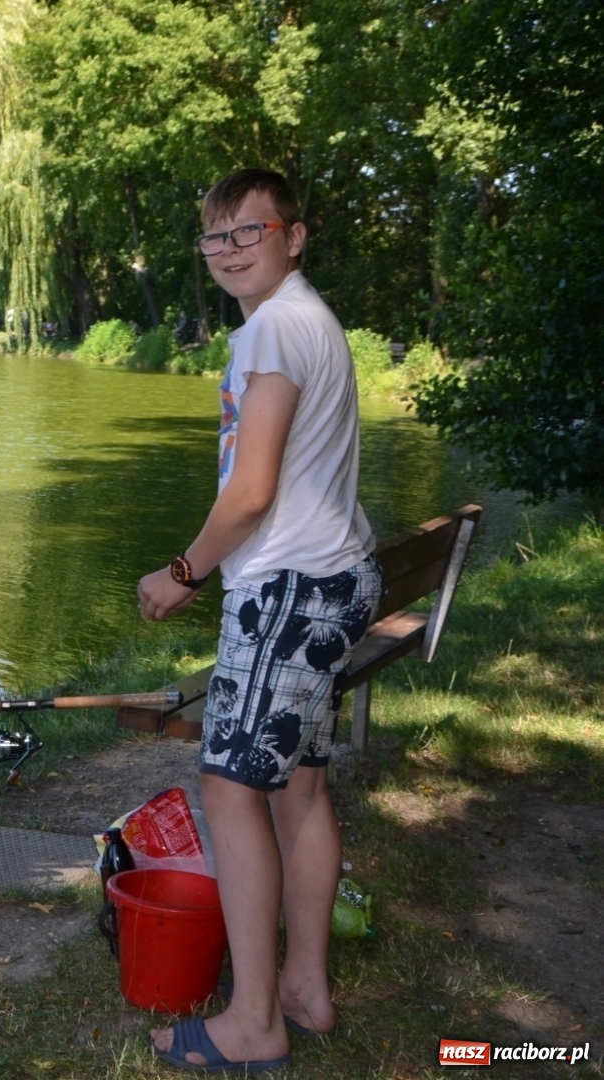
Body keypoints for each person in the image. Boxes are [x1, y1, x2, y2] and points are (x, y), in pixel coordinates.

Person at [137, 168, 380, 1073]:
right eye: (215, 237)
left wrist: (182, 573)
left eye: (249, 232)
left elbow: (250, 493)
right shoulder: (303, 317)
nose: (230, 250)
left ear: (293, 235)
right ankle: (303, 990)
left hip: (287, 587)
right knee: (297, 785)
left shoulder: (274, 329)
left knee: (232, 788)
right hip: (331, 578)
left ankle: (252, 1022)